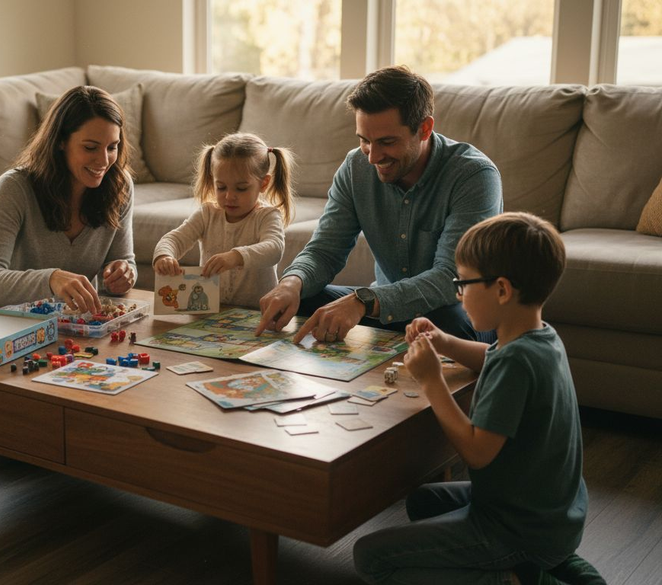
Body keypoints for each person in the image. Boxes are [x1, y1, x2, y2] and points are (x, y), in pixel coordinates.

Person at [354, 212, 602, 585]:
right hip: (549, 510)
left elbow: (476, 452)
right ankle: (555, 562)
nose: (458, 295)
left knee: (369, 557)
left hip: (517, 526)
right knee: (423, 501)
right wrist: (445, 341)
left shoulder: (517, 361)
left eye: (463, 284)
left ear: (501, 290)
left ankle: (520, 578)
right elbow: (492, 357)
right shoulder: (539, 336)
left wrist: (432, 381)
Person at [256, 66, 502, 344]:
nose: (372, 157)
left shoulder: (474, 176)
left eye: (387, 142)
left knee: (446, 326)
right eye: (364, 141)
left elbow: (450, 279)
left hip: (460, 311)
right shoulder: (355, 167)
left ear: (424, 128)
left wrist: (363, 301)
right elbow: (325, 250)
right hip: (385, 308)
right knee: (300, 298)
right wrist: (292, 282)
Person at [0, 86, 136, 312]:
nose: (104, 160)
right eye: (90, 147)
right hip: (20, 327)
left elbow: (124, 260)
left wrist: (124, 273)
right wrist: (52, 280)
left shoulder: (120, 186)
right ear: (61, 142)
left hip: (83, 327)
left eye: (112, 147)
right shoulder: (15, 187)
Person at [153, 133, 295, 308]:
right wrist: (164, 255)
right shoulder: (207, 214)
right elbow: (173, 239)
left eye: (241, 188)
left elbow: (274, 248)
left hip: (256, 313)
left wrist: (236, 257)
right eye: (221, 187)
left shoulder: (267, 216)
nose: (229, 196)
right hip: (210, 311)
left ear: (263, 183)